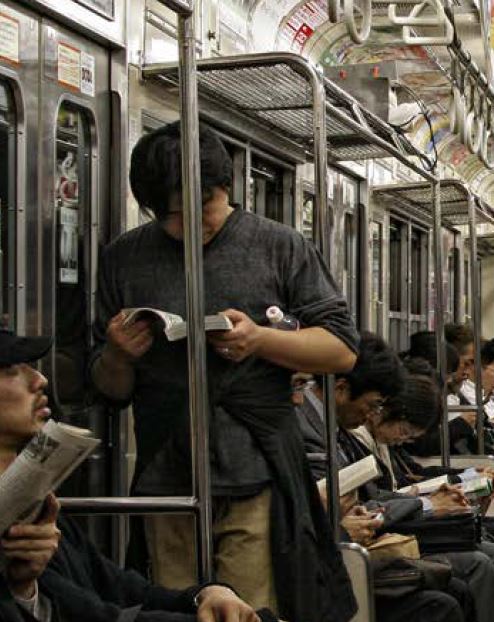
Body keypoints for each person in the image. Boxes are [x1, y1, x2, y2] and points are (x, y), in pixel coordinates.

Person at [90, 122, 358, 620]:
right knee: (178, 610)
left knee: (248, 610)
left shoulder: (279, 246)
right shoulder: (124, 258)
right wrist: (119, 355)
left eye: (205, 208)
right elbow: (110, 391)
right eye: (173, 216)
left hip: (253, 467)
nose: (191, 226)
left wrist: (259, 339)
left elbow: (341, 350)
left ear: (227, 188)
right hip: (165, 473)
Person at [0, 329, 273, 622]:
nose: (39, 380)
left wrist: (206, 594)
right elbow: (88, 614)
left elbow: (120, 587)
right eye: (13, 369)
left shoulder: (39, 504)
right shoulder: (16, 526)